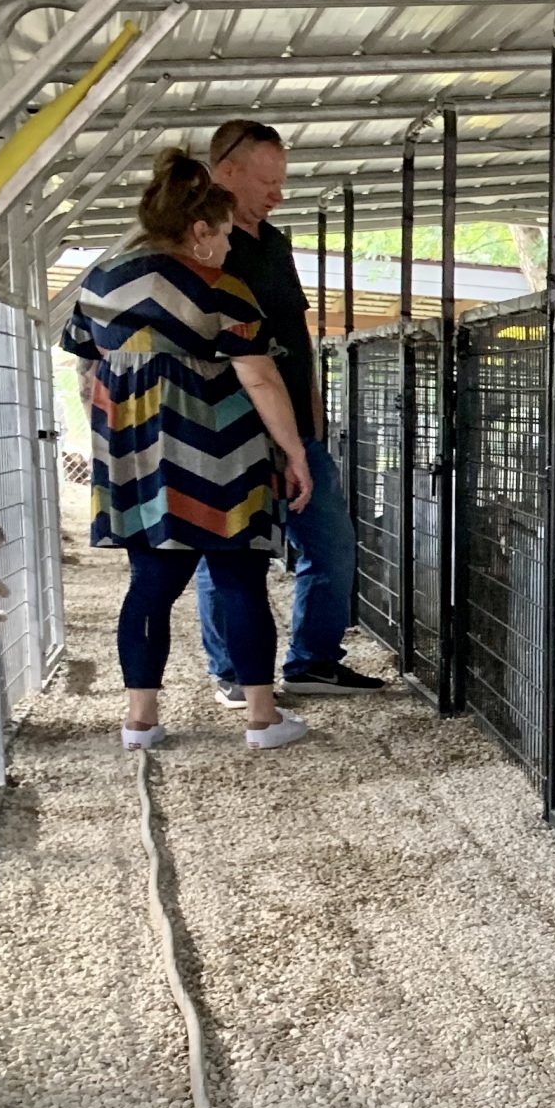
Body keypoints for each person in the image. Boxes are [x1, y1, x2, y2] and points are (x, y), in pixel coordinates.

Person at [65, 149, 314, 752]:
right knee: (239, 581)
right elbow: (259, 377)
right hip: (222, 459)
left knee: (149, 584)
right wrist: (294, 452)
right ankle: (261, 719)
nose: (229, 248)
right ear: (200, 232)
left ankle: (140, 723)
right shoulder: (220, 287)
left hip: (137, 460)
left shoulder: (101, 283)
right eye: (225, 236)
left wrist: (113, 434)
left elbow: (85, 366)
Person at [192, 117, 385, 702]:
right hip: (232, 431)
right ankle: (231, 670)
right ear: (226, 172)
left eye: (282, 180)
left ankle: (313, 661)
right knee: (228, 551)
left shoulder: (273, 242)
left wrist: (314, 415)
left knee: (330, 543)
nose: (279, 193)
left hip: (298, 428)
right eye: (268, 180)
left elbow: (297, 334)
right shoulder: (203, 244)